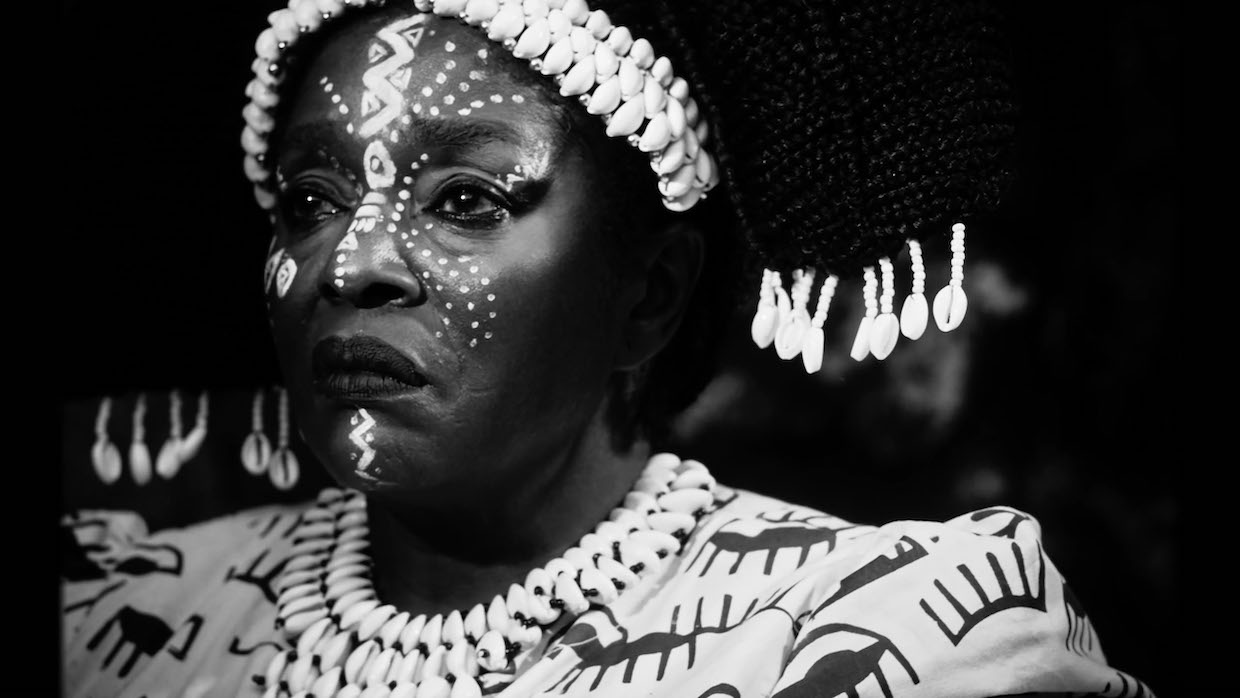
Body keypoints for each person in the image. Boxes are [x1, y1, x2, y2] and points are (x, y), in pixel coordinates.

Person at [61, 0, 1155, 696]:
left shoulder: (894, 636)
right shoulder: (113, 609)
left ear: (651, 294)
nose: (352, 264)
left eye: (467, 199)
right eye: (310, 198)